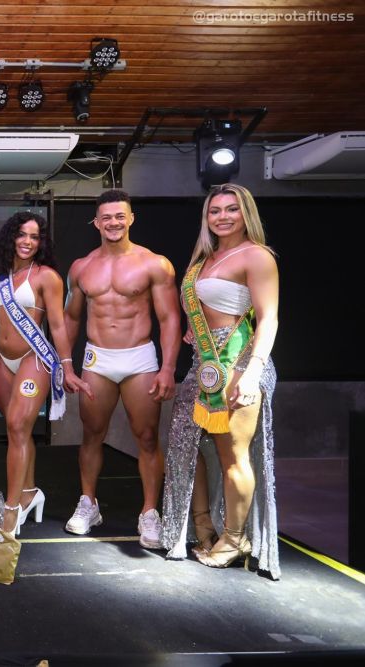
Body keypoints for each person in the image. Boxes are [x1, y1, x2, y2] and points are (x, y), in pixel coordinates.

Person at [161, 183, 280, 579]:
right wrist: (194, 331)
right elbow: (207, 309)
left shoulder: (257, 255)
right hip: (204, 363)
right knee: (186, 447)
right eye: (215, 210)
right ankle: (202, 526)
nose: (223, 217)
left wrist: (253, 371)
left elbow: (268, 319)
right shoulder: (205, 258)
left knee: (233, 457)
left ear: (246, 214)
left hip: (238, 362)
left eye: (232, 209)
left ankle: (235, 538)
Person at [63, 189, 180, 548]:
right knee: (91, 434)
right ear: (96, 223)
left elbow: (169, 318)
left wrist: (168, 368)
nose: (113, 223)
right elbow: (70, 318)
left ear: (130, 219)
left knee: (147, 437)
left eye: (119, 216)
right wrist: (65, 364)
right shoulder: (82, 267)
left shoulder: (154, 264)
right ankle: (88, 503)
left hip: (139, 358)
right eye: (106, 217)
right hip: (98, 359)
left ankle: (149, 512)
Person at [0, 212, 91, 536]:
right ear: (11, 237)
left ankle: (10, 510)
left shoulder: (46, 276)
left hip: (33, 358)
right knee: (16, 432)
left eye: (35, 237)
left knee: (18, 426)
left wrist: (67, 368)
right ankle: (30, 492)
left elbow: (58, 326)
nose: (28, 242)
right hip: (2, 360)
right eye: (22, 234)